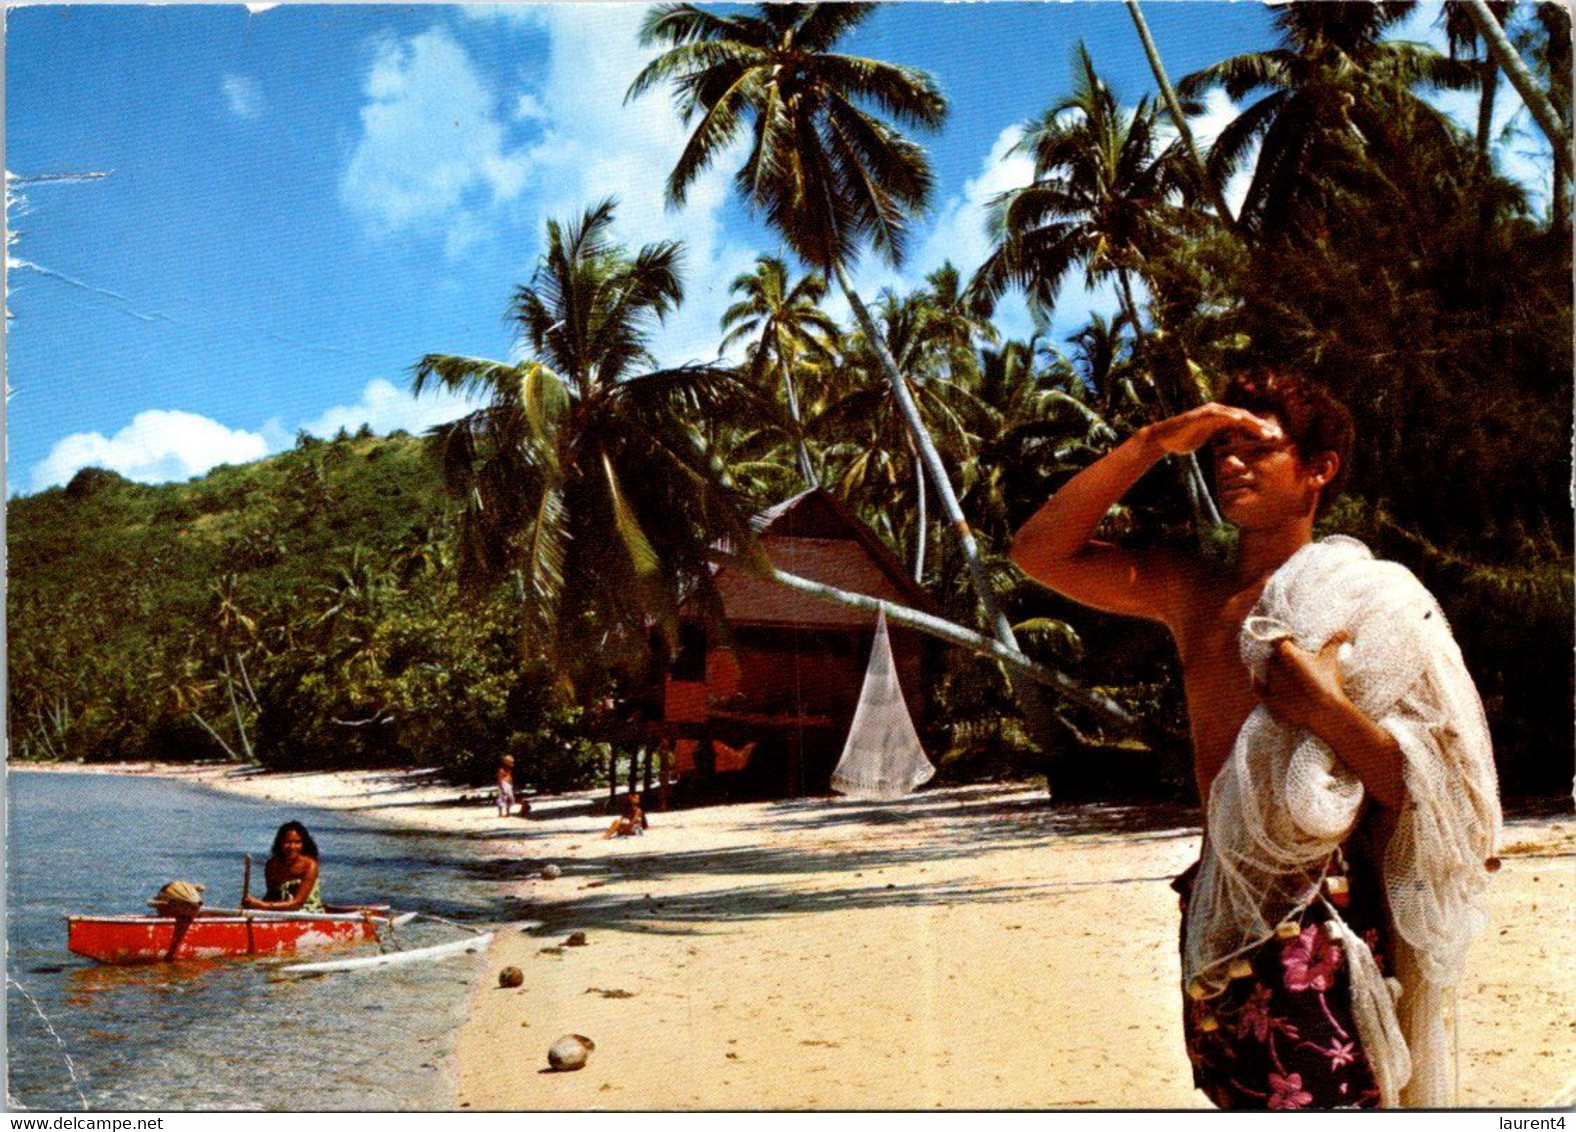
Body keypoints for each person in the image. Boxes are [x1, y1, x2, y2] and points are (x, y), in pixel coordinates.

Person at [1012, 369, 1500, 1109]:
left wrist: (1323, 709)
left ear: (1317, 470)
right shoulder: (1193, 590)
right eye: (1220, 450)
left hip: (1327, 906)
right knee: (1235, 1094)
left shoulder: (1372, 599)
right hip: (1221, 898)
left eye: (1257, 448)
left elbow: (1415, 783)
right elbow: (1037, 553)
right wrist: (1152, 442)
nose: (1229, 462)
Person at [242, 821, 325, 912]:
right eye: (287, 842)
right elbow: (271, 896)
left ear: (303, 844)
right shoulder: (272, 865)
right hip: (280, 911)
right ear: (280, 843)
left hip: (307, 912)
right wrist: (251, 905)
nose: (292, 847)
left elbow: (297, 904)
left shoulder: (310, 866)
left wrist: (261, 905)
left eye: (297, 842)